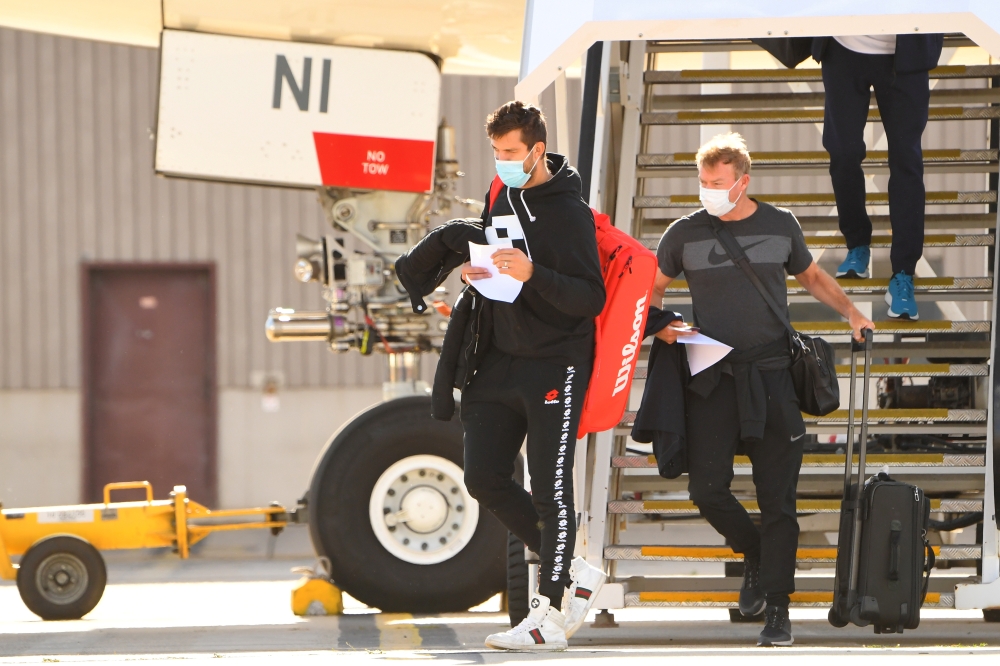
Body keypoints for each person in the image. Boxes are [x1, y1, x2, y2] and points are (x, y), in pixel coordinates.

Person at [652, 132, 875, 647]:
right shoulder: (682, 234)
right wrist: (661, 324)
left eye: (718, 183)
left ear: (743, 182)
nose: (708, 190)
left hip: (774, 377)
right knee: (705, 489)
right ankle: (754, 551)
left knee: (780, 503)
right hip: (713, 379)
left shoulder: (780, 225)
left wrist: (853, 314)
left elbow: (813, 277)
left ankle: (778, 610)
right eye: (703, 182)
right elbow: (653, 293)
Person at [459, 101, 608, 651]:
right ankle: (571, 573)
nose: (501, 163)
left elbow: (589, 298)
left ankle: (548, 617)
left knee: (550, 490)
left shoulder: (568, 211)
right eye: (496, 152)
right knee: (483, 478)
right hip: (499, 357)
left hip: (554, 361)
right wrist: (475, 277)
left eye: (511, 153)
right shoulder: (501, 192)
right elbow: (493, 253)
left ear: (537, 151)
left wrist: (534, 274)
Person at [813, 34, 944, 320]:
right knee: (843, 151)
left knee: (906, 162)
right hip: (844, 46)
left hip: (906, 53)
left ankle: (903, 275)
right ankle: (857, 244)